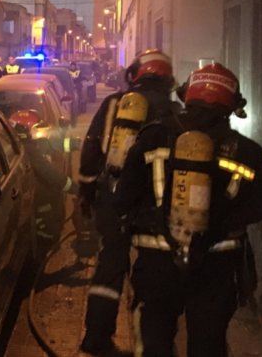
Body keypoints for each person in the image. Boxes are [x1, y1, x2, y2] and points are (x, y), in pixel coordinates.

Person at [114, 63, 262, 357]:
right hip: (216, 267)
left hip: (157, 264)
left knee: (154, 344)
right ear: (232, 105)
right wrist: (221, 223)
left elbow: (122, 198)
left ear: (187, 95)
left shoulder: (153, 136)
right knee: (208, 346)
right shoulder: (248, 151)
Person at [78, 49, 181, 357]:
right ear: (167, 79)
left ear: (135, 75)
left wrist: (86, 191)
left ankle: (96, 338)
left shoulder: (115, 104)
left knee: (111, 264)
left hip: (112, 196)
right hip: (154, 204)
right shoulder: (175, 111)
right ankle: (152, 345)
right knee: (153, 272)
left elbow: (93, 146)